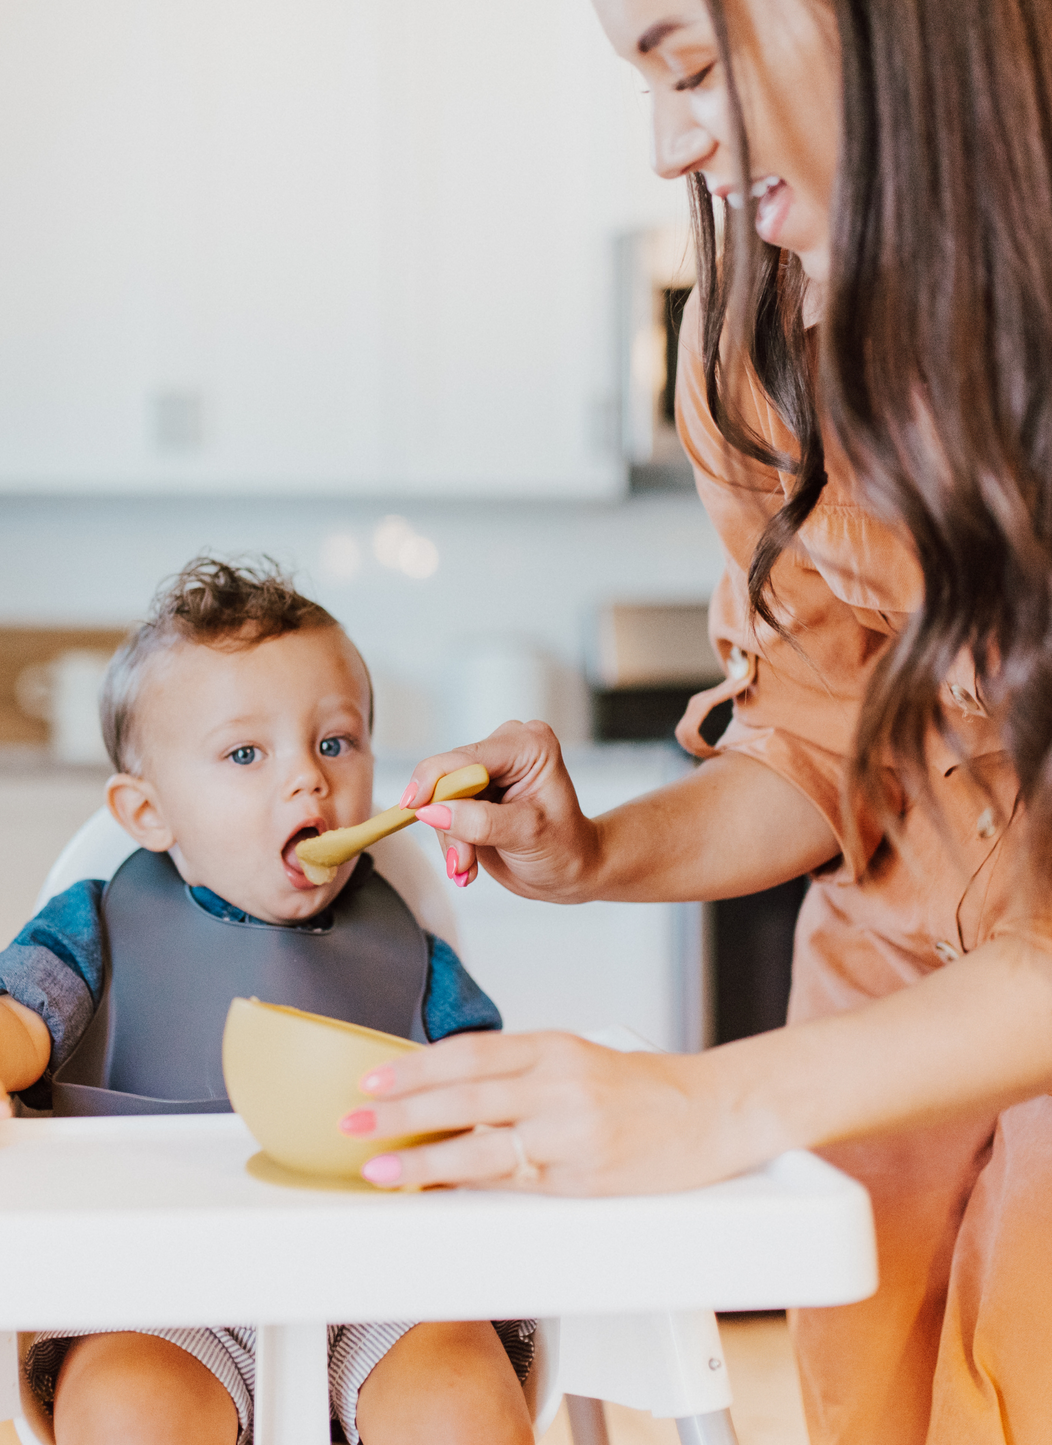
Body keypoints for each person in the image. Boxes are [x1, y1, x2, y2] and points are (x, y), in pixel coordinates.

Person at [336, 2, 1052, 1443]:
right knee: (874, 1395)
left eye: (687, 64)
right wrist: (593, 851)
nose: (670, 145)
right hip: (890, 992)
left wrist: (715, 1104)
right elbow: (819, 750)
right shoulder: (758, 362)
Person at [0, 557, 535, 1445]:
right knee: (128, 1407)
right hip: (149, 1285)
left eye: (335, 742)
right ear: (146, 812)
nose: (307, 782)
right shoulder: (99, 927)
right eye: (246, 753)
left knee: (461, 1398)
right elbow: (9, 1017)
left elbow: (487, 1088)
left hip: (384, 1284)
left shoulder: (410, 955)